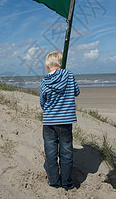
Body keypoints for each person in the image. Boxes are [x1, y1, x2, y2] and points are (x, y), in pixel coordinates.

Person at [40, 51, 80, 190]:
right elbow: (76, 91)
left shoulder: (44, 82)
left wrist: (50, 110)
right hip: (65, 121)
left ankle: (54, 182)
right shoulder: (68, 75)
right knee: (66, 152)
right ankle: (67, 183)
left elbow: (42, 102)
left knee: (50, 153)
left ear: (46, 68)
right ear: (61, 64)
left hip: (49, 122)